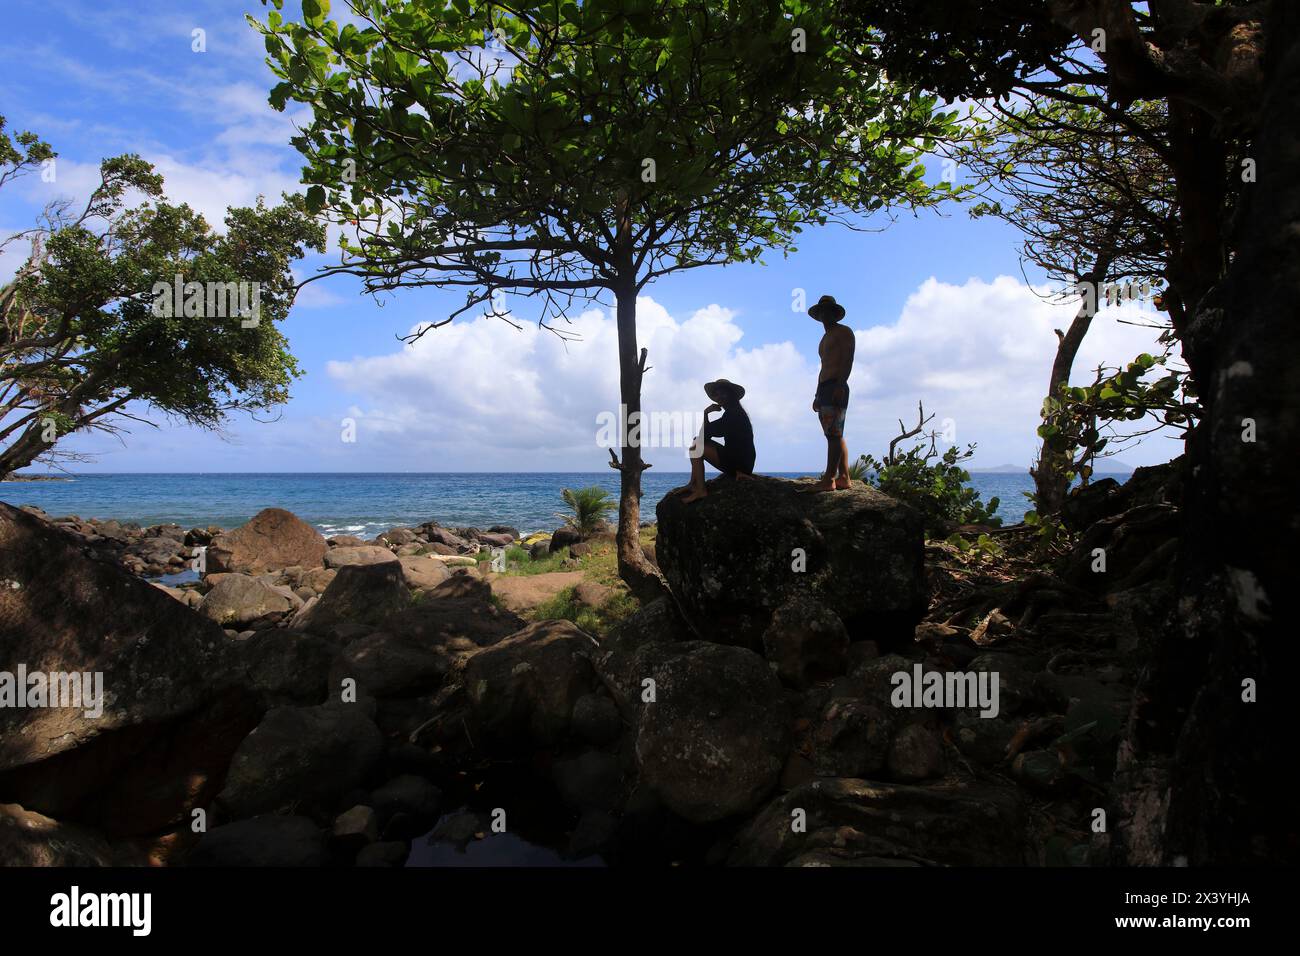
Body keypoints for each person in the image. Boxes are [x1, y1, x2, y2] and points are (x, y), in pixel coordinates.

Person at [803, 294, 855, 492]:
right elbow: (823, 366)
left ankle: (829, 479)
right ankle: (844, 477)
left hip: (836, 385)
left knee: (834, 434)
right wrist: (817, 394)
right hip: (825, 387)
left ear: (835, 313)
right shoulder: (825, 337)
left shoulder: (844, 332)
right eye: (822, 311)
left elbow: (848, 359)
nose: (825, 314)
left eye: (828, 311)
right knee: (833, 434)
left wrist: (840, 385)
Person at [674, 378, 755, 504]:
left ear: (731, 394)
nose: (719, 396)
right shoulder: (734, 412)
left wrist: (706, 414)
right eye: (716, 394)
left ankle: (700, 490)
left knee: (696, 447)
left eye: (723, 393)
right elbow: (704, 436)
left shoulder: (733, 414)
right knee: (696, 444)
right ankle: (693, 483)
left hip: (739, 464)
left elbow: (703, 436)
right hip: (740, 462)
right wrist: (706, 414)